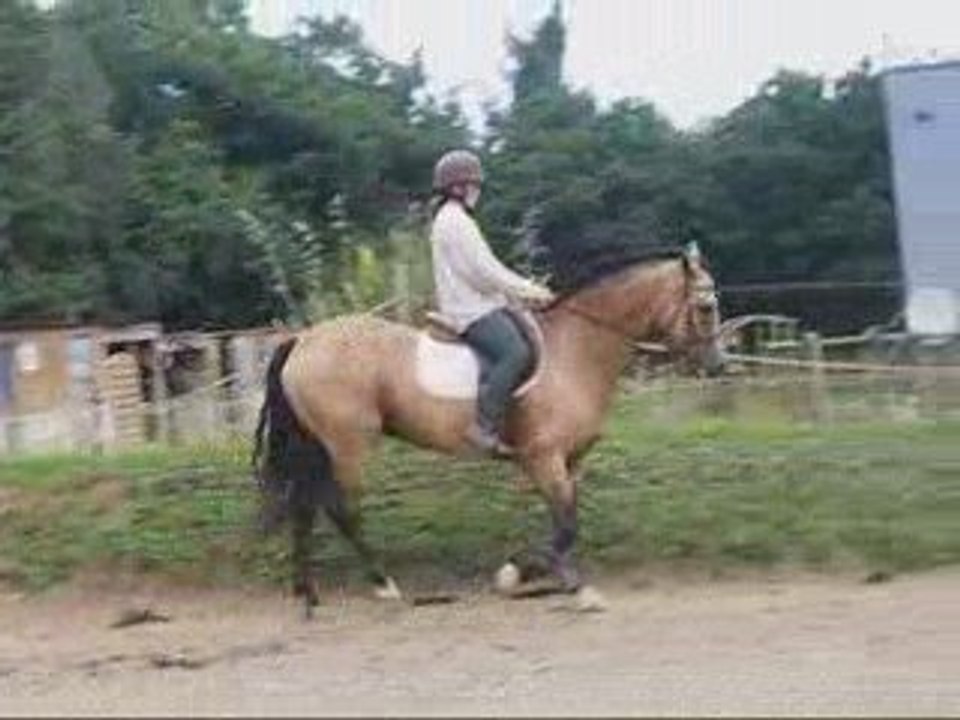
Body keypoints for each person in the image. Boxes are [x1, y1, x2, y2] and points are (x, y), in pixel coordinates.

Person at [429, 149, 555, 455]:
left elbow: (487, 271)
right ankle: (482, 425)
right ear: (458, 188)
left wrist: (520, 294)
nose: (478, 191)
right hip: (470, 309)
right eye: (474, 185)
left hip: (479, 303)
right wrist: (531, 291)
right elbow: (484, 272)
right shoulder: (455, 222)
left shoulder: (455, 219)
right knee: (515, 352)